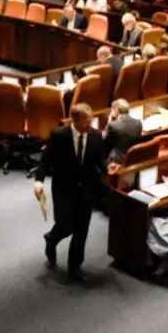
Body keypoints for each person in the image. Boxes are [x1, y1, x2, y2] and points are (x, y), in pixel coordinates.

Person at [34, 104, 113, 282]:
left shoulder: (95, 135)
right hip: (64, 188)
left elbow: (100, 158)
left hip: (86, 187)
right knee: (66, 225)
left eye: (91, 121)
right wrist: (39, 181)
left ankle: (75, 267)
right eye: (86, 122)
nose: (89, 125)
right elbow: (46, 160)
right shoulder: (59, 135)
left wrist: (108, 166)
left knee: (82, 229)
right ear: (75, 121)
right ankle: (51, 239)